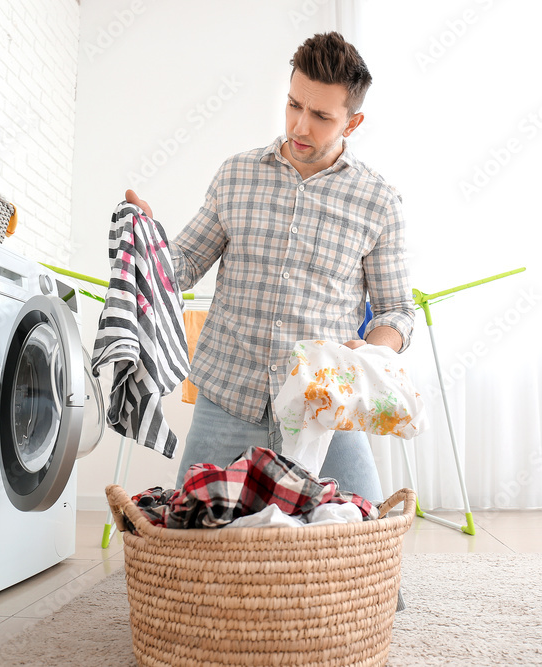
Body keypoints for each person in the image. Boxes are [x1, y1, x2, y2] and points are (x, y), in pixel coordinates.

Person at [125, 32, 414, 504]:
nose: (300, 126)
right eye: (294, 105)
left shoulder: (378, 202)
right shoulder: (235, 175)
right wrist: (147, 238)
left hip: (325, 403)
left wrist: (370, 355)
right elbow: (182, 266)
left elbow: (397, 311)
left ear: (353, 121)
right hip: (228, 398)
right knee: (188, 546)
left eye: (321, 116)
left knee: (367, 544)